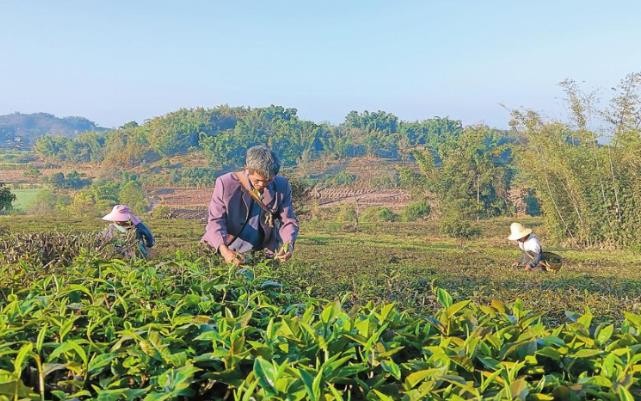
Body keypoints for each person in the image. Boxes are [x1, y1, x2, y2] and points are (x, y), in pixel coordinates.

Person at [201, 145, 299, 266]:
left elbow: (288, 221)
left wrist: (287, 245)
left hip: (261, 254)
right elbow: (216, 221)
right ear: (247, 169)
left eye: (268, 180)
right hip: (225, 249)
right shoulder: (225, 184)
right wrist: (224, 251)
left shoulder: (282, 186)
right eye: (257, 180)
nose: (262, 184)